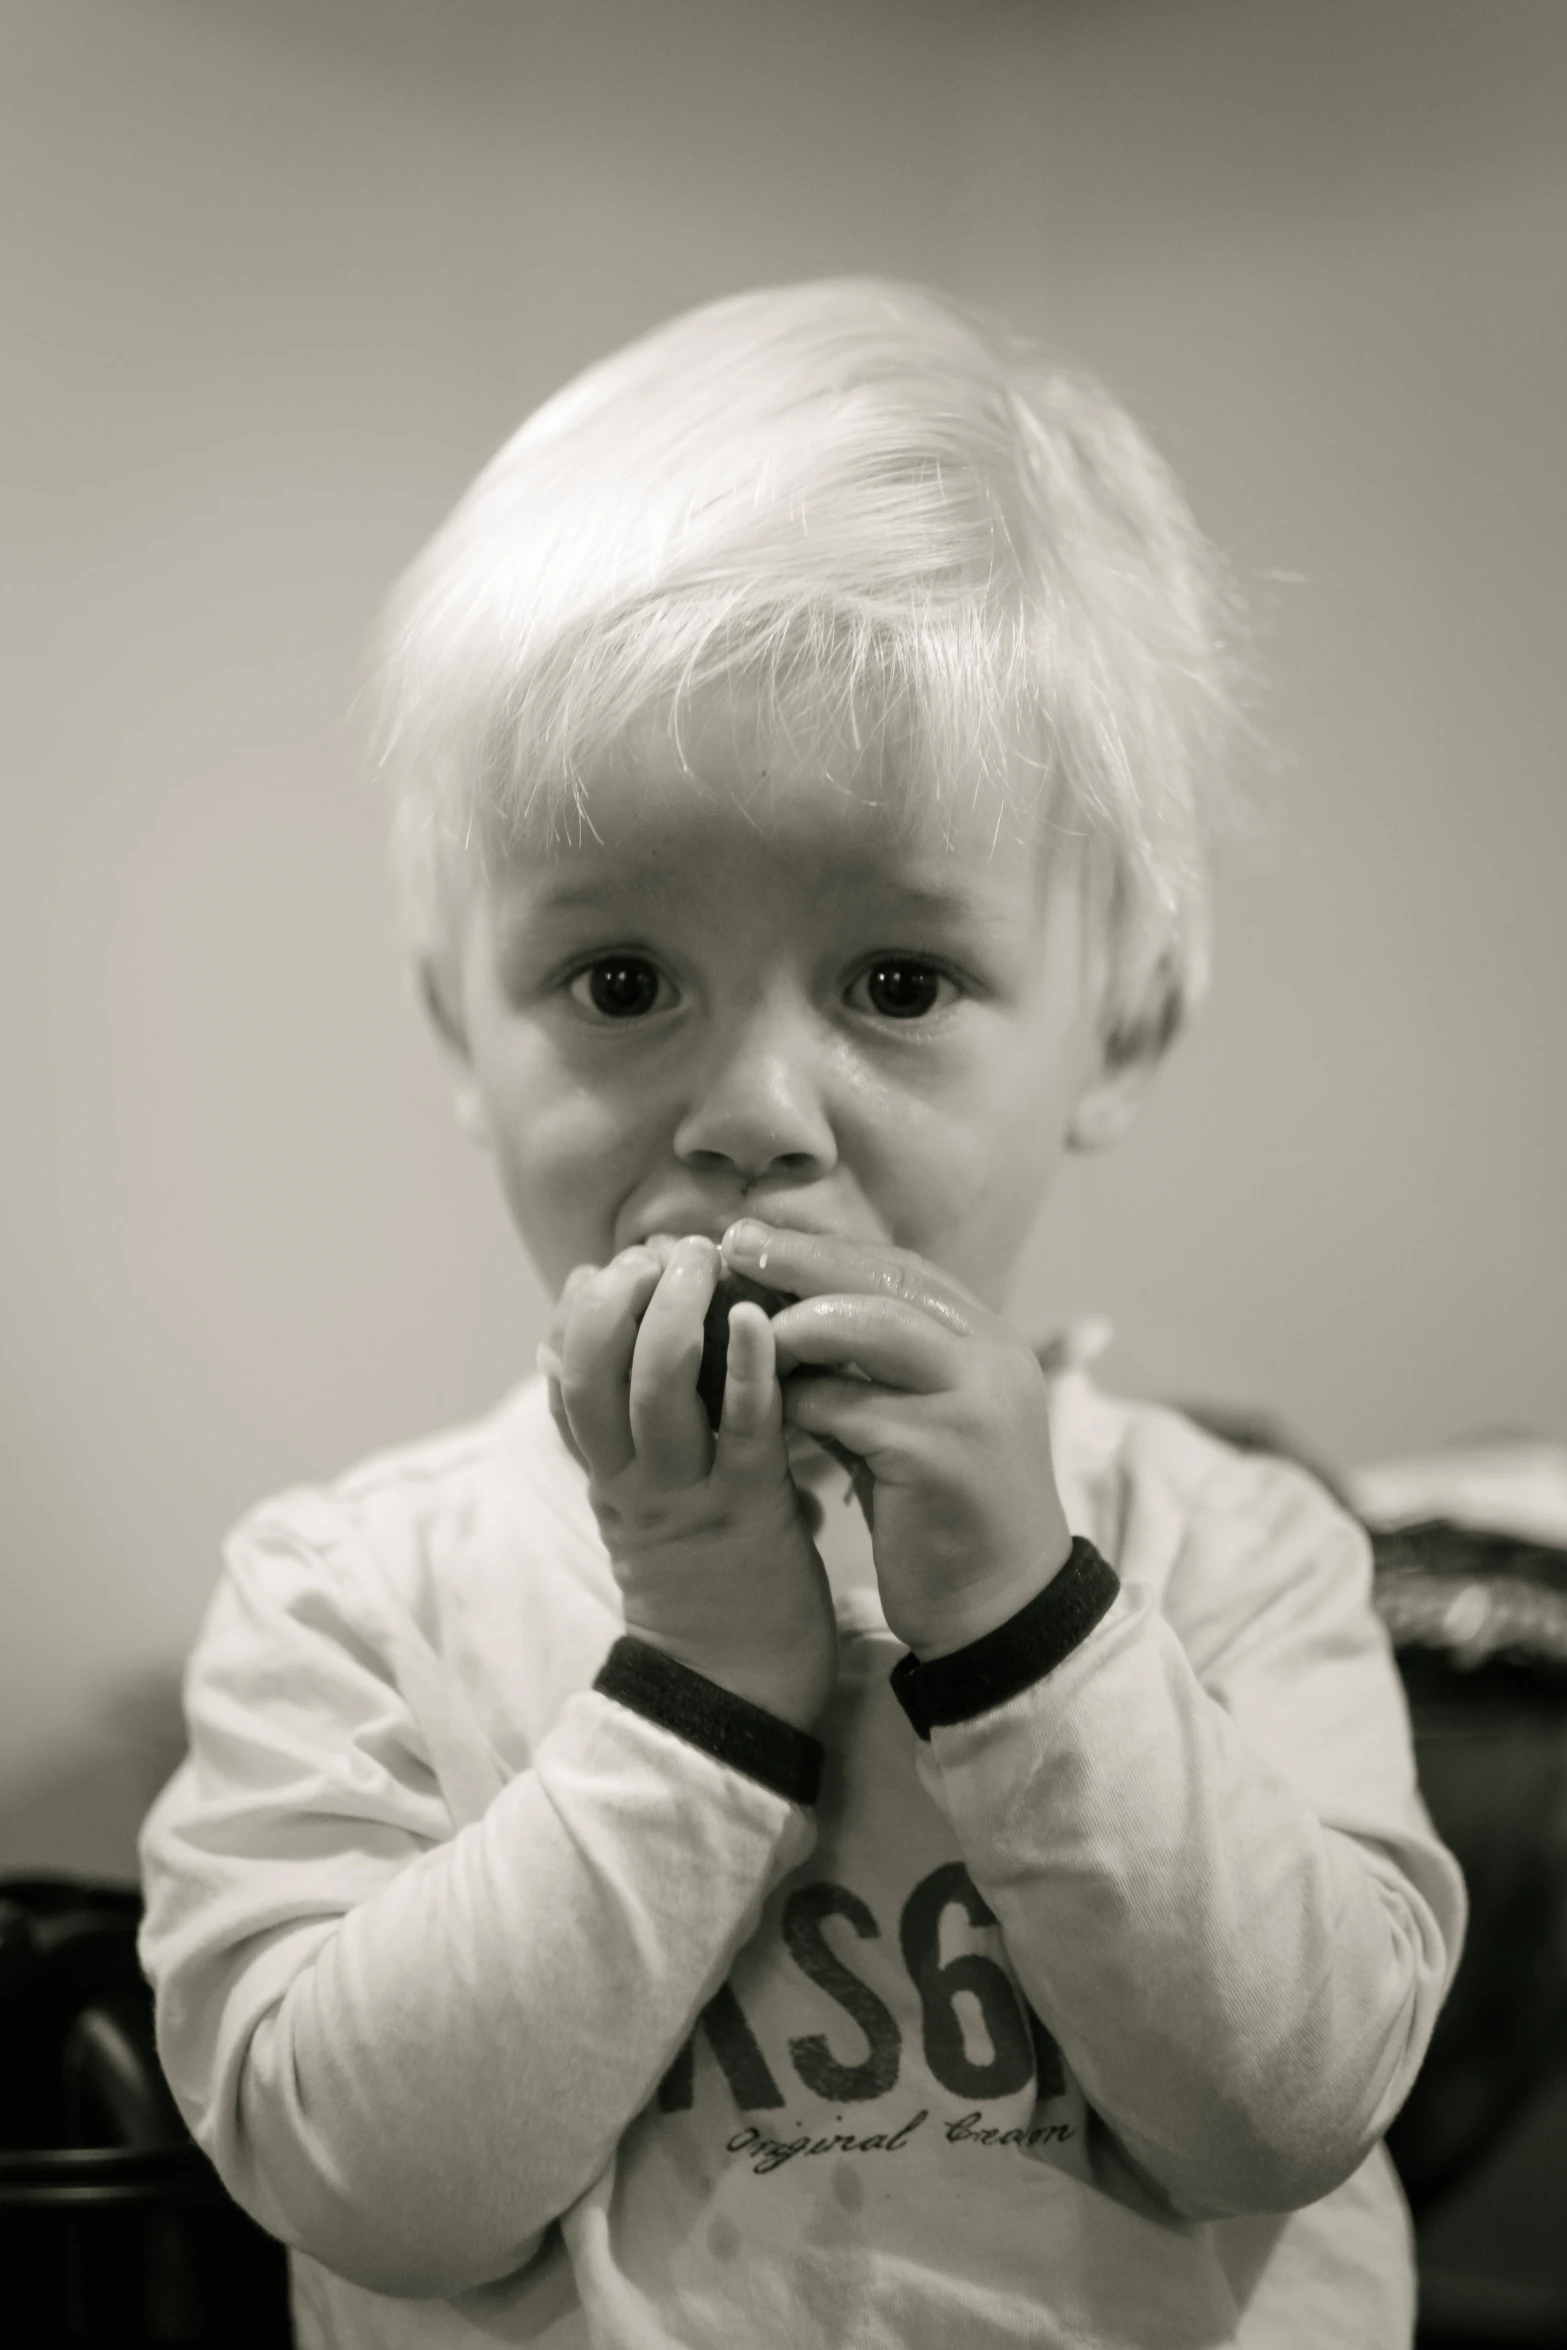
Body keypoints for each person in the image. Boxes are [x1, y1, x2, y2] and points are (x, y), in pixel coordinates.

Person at [138, 280, 1465, 2350]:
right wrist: (698, 1669)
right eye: (621, 980)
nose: (754, 1112)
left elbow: (1290, 2109)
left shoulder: (1230, 1549)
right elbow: (354, 2183)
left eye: (900, 982)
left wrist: (1032, 1619)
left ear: (1123, 1024)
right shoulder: (348, 1590)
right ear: (457, 1029)